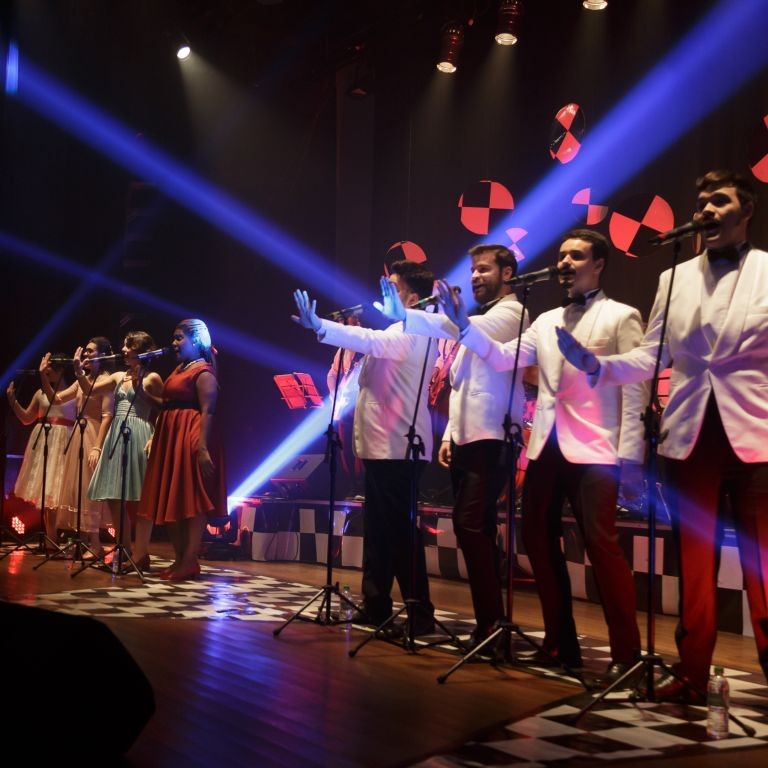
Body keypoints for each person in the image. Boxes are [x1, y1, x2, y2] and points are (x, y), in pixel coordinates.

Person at [557, 171, 768, 701]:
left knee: (761, 566)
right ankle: (693, 673)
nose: (707, 208)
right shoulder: (673, 278)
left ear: (747, 210)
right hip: (690, 437)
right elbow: (652, 356)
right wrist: (597, 365)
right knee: (693, 565)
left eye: (719, 200)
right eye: (701, 201)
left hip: (756, 435)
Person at [432, 229, 646, 683]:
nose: (565, 262)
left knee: (602, 547)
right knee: (536, 541)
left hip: (597, 448)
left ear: (599, 263)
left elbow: (635, 390)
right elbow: (502, 356)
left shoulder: (622, 315)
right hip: (547, 444)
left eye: (576, 255)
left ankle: (626, 654)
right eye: (562, 255)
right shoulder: (546, 319)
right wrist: (463, 325)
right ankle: (559, 644)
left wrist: (631, 457)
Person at [378, 244, 527, 647]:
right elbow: (460, 383)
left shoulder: (512, 312)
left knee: (469, 524)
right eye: (473, 269)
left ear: (508, 274)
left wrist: (418, 316)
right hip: (468, 436)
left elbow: (468, 336)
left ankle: (492, 624)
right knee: (476, 527)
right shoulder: (475, 318)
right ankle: (489, 623)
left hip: (495, 434)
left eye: (483, 269)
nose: (475, 276)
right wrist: (448, 436)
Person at [292, 260, 438, 636]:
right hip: (382, 446)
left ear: (412, 296)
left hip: (400, 447)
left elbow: (370, 341)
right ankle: (376, 605)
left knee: (401, 533)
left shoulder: (415, 332)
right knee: (378, 530)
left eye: (393, 287)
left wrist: (322, 326)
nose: (384, 293)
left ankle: (420, 614)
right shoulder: (399, 329)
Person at [133, 319, 226, 581]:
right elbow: (165, 404)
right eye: (174, 338)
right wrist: (141, 390)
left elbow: (208, 411)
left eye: (178, 338)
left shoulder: (204, 371)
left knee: (191, 499)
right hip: (171, 435)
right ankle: (179, 560)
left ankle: (189, 561)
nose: (173, 343)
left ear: (196, 340)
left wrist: (202, 447)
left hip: (191, 434)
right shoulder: (179, 369)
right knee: (171, 497)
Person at [87, 331, 164, 572]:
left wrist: (155, 437)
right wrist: (80, 373)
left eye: (128, 346)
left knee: (140, 498)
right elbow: (92, 389)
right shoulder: (120, 376)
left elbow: (166, 409)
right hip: (117, 436)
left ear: (139, 350)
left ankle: (141, 554)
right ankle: (125, 549)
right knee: (113, 495)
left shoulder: (152, 378)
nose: (123, 350)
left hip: (139, 432)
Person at [39, 338, 115, 556]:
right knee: (78, 489)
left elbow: (107, 416)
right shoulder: (84, 380)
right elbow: (57, 399)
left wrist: (98, 447)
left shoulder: (105, 380)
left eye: (91, 352)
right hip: (79, 434)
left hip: (94, 434)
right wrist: (44, 376)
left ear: (103, 355)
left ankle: (96, 544)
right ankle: (83, 541)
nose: (86, 356)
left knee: (90, 490)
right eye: (86, 352)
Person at [6, 357, 76, 549]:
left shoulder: (74, 392)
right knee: (46, 492)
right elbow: (27, 419)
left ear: (61, 370)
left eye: (50, 370)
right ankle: (50, 538)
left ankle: (58, 537)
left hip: (63, 441)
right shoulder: (40, 393)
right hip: (44, 440)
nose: (46, 373)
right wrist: (13, 401)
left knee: (57, 491)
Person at [325, 314, 365, 500]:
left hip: (361, 406)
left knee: (359, 447)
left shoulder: (366, 346)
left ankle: (362, 485)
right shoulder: (342, 350)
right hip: (345, 407)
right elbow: (332, 374)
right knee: (345, 447)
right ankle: (352, 485)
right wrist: (335, 394)